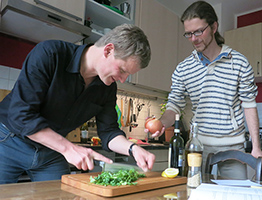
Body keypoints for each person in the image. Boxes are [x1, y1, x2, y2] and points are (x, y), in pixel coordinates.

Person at [0, 24, 155, 184]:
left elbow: (109, 131)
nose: (122, 79)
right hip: (8, 141)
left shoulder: (107, 87)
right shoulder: (50, 53)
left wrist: (133, 149)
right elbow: (21, 116)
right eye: (122, 70)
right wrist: (68, 149)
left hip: (50, 150)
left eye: (127, 75)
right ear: (108, 50)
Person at [149, 1, 262, 179]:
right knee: (195, 193)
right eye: (188, 34)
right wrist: (163, 123)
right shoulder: (183, 69)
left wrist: (256, 146)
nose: (194, 38)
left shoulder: (239, 62)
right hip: (198, 146)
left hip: (233, 148)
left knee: (235, 196)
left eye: (198, 31)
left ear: (214, 27)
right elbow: (174, 105)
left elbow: (249, 104)